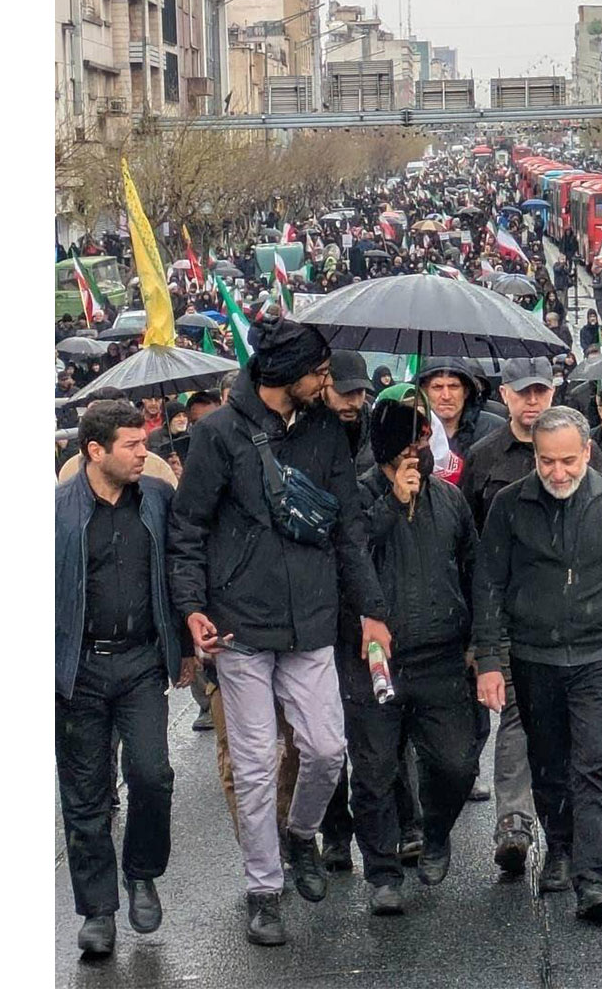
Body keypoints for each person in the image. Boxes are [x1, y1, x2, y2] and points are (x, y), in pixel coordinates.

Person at [168, 317, 391, 947]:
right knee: (258, 762)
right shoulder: (215, 436)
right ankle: (263, 889)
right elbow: (187, 531)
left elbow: (348, 527)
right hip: (239, 628)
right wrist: (192, 610)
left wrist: (371, 611)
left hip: (313, 620)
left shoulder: (325, 432)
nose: (328, 381)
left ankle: (301, 834)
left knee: (325, 749)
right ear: (284, 374)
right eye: (319, 372)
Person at [473, 407, 602, 921]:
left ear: (587, 453)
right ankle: (560, 848)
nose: (558, 473)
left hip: (599, 653)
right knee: (550, 766)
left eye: (569, 461)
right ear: (535, 456)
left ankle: (594, 878)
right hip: (533, 655)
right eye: (547, 461)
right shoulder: (510, 506)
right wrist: (489, 658)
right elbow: (488, 583)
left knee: (592, 766)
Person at [55, 401, 198, 957]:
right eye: (133, 446)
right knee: (85, 795)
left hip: (140, 663)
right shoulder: (57, 512)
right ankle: (97, 909)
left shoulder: (159, 500)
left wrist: (184, 646)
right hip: (77, 669)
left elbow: (181, 570)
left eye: (147, 443)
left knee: (152, 773)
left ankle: (141, 872)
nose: (146, 454)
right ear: (95, 452)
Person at [458, 357, 602, 874]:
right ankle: (516, 822)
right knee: (517, 718)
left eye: (540, 391)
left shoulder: (588, 451)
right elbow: (471, 546)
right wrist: (481, 640)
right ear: (504, 396)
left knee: (570, 742)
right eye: (522, 392)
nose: (531, 401)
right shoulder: (482, 457)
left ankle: (571, 846)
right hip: (508, 617)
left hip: (576, 624)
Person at [342, 393, 482, 916]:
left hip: (441, 657)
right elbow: (350, 555)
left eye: (426, 439)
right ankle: (382, 872)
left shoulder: (449, 500)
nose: (419, 450)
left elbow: (474, 570)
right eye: (411, 440)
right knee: (375, 772)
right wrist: (392, 505)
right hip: (375, 662)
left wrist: (478, 641)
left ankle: (436, 831)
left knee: (456, 764)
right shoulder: (357, 499)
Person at [417, 358, 504, 461]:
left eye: (454, 386)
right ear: (424, 392)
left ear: (466, 391)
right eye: (437, 387)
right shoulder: (411, 430)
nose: (446, 396)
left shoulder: (492, 429)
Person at [326, 350, 375, 474]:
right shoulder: (304, 426)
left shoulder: (372, 424)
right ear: (325, 385)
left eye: (360, 392)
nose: (355, 402)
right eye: (346, 393)